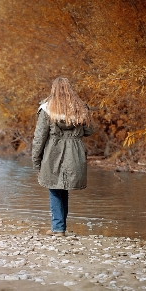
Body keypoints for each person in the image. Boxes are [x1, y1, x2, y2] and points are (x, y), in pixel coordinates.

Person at [32, 77, 94, 237]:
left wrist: (36, 161)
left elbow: (39, 138)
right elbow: (89, 131)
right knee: (62, 188)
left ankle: (58, 228)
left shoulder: (46, 109)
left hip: (54, 150)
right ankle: (59, 226)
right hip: (75, 151)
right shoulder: (81, 108)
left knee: (55, 187)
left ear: (53, 90)